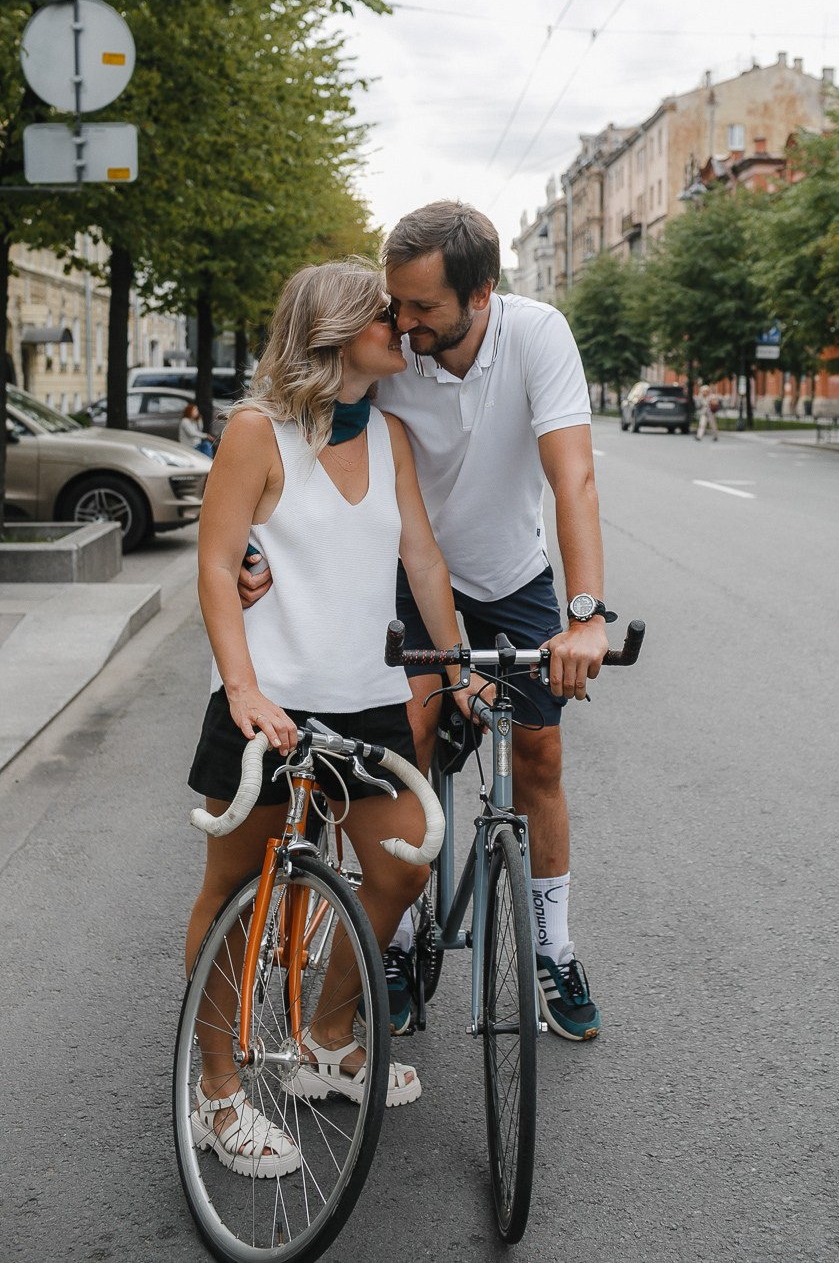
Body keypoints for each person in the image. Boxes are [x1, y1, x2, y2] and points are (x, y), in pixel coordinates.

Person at [242, 201, 611, 1043]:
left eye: (421, 309)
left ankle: (552, 948)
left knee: (541, 753)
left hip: (511, 572)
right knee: (405, 739)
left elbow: (574, 479)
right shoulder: (387, 343)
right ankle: (399, 936)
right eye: (393, 303)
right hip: (404, 577)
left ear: (480, 296)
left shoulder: (538, 334)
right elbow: (285, 413)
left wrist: (585, 616)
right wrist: (246, 541)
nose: (401, 324)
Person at [187, 258, 481, 1176]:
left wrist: (461, 666)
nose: (402, 326)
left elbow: (424, 563)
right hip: (269, 704)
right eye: (384, 316)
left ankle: (326, 1031)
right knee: (238, 896)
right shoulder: (255, 432)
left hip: (370, 703)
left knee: (405, 861)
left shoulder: (390, 434)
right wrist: (241, 689)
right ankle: (218, 1089)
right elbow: (214, 564)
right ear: (335, 331)